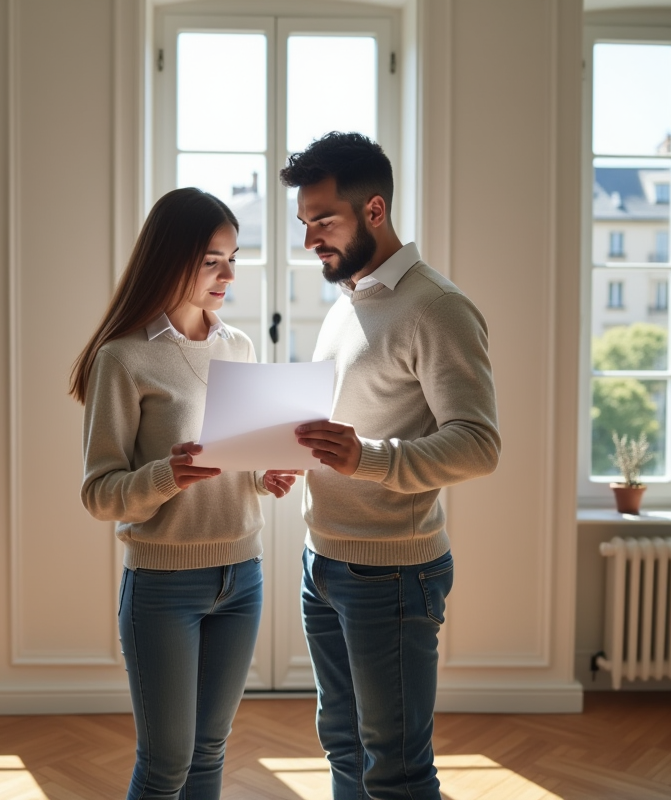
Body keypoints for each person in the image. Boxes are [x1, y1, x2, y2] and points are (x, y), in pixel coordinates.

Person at [280, 132, 502, 799]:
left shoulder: (438, 307)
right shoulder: (348, 301)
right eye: (304, 223)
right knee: (343, 743)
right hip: (323, 561)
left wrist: (365, 457)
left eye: (323, 220)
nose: (310, 238)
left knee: (397, 770)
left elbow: (478, 443)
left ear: (373, 210)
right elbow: (355, 417)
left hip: (392, 572)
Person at [71, 187, 297, 800]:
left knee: (209, 751)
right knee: (166, 763)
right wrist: (166, 476)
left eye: (233, 259)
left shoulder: (239, 347)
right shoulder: (123, 358)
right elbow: (99, 494)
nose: (229, 276)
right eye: (211, 262)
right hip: (163, 585)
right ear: (172, 260)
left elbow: (237, 459)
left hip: (242, 577)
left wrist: (263, 476)